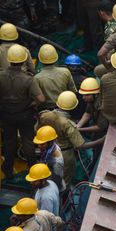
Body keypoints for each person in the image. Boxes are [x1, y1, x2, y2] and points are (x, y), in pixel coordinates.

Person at [36, 91, 103, 186]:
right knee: (64, 183)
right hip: (64, 155)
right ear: (73, 107)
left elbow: (37, 130)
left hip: (46, 151)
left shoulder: (44, 115)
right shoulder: (68, 124)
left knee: (47, 175)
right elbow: (81, 145)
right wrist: (100, 141)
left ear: (57, 103)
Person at [0, 44, 45, 179]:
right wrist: (32, 103)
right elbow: (41, 99)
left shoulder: (0, 76)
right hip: (25, 114)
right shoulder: (28, 79)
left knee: (9, 142)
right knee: (28, 142)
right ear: (23, 60)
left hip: (6, 114)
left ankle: (8, 170)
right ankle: (33, 169)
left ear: (9, 59)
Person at [35, 44, 77, 111]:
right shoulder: (65, 72)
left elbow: (39, 99)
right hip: (65, 107)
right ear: (56, 58)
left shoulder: (37, 77)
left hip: (46, 109)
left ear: (40, 60)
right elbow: (73, 91)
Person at [34, 125, 65, 192]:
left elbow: (56, 182)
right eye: (38, 144)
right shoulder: (49, 147)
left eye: (42, 144)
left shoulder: (57, 162)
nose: (39, 146)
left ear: (51, 142)